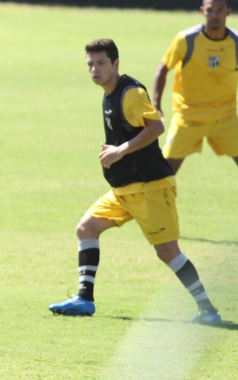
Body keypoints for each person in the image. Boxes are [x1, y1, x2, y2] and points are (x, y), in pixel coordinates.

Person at [49, 39, 221, 325]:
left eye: (101, 63)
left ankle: (209, 310)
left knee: (167, 252)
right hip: (124, 189)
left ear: (116, 64)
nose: (95, 69)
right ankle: (84, 299)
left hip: (150, 188)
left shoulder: (130, 93)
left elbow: (156, 126)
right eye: (90, 64)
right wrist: (117, 149)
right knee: (86, 228)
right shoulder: (109, 93)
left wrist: (120, 150)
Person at [152, 0, 238, 173]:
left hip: (225, 116)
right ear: (202, 11)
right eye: (210, 10)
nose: (214, 15)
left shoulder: (236, 42)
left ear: (228, 12)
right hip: (188, 116)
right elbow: (163, 68)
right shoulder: (186, 40)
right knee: (164, 172)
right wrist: (156, 105)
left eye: (219, 10)